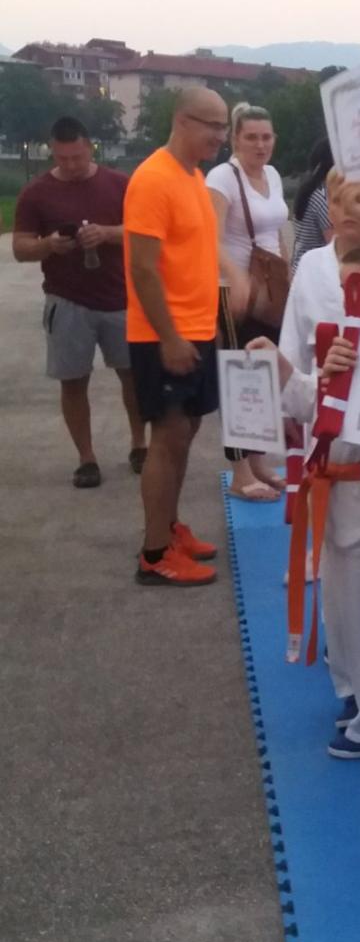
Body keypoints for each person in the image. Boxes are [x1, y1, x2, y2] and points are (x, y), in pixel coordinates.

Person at [258, 237, 360, 758]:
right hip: (333, 492)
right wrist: (284, 369)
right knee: (341, 609)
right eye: (343, 288)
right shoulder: (344, 344)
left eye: (359, 289)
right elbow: (317, 410)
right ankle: (352, 691)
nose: (348, 299)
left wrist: (350, 369)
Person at [124, 88, 239, 586]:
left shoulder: (192, 176)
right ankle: (154, 554)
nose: (220, 135)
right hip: (162, 335)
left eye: (223, 126)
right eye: (211, 125)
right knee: (167, 439)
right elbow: (142, 268)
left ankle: (170, 530)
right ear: (181, 121)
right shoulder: (153, 179)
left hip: (196, 330)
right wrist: (169, 337)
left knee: (186, 432)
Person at [12, 116, 145, 487]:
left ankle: (139, 444)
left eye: (77, 157)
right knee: (72, 381)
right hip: (67, 300)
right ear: (51, 153)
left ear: (91, 148)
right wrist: (48, 245)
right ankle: (86, 458)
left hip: (120, 298)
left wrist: (107, 233)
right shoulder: (36, 193)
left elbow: (144, 232)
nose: (70, 165)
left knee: (133, 376)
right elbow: (20, 247)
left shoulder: (119, 184)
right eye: (62, 158)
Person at [205, 103, 290, 502]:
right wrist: (236, 279)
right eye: (251, 137)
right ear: (235, 139)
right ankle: (240, 471)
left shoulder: (273, 175)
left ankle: (258, 460)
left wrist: (287, 276)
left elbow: (277, 230)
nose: (260, 144)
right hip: (233, 289)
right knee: (240, 377)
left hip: (270, 289)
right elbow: (210, 238)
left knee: (265, 374)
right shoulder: (223, 177)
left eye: (266, 137)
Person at [291, 138, 335, 270]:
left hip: (301, 266)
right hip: (316, 270)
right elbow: (333, 245)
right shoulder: (323, 197)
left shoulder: (309, 190)